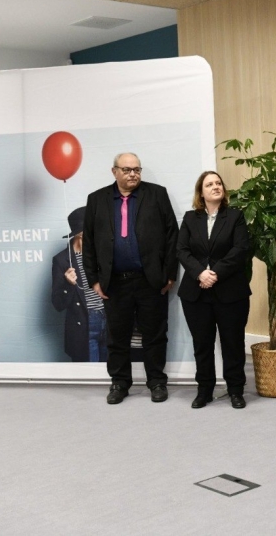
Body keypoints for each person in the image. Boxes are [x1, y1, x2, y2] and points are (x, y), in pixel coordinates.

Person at [82, 152, 179, 405]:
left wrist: (169, 275)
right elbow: (89, 243)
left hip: (150, 280)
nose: (133, 174)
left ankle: (157, 381)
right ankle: (119, 383)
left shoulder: (157, 194)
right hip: (114, 282)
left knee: (155, 334)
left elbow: (172, 236)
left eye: (137, 169)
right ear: (114, 171)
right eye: (127, 170)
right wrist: (94, 280)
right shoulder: (97, 200)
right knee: (116, 336)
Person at [177, 171, 252, 409]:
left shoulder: (235, 216)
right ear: (201, 192)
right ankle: (204, 390)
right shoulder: (190, 218)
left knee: (233, 342)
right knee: (202, 343)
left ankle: (236, 390)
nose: (215, 187)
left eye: (218, 183)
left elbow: (240, 249)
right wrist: (200, 273)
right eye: (209, 184)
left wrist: (214, 273)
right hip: (196, 292)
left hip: (230, 291)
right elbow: (182, 250)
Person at [51, 206, 107, 362]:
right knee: (90, 376)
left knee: (112, 374)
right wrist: (68, 284)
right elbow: (57, 304)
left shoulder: (102, 254)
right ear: (80, 235)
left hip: (108, 321)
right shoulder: (62, 260)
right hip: (85, 324)